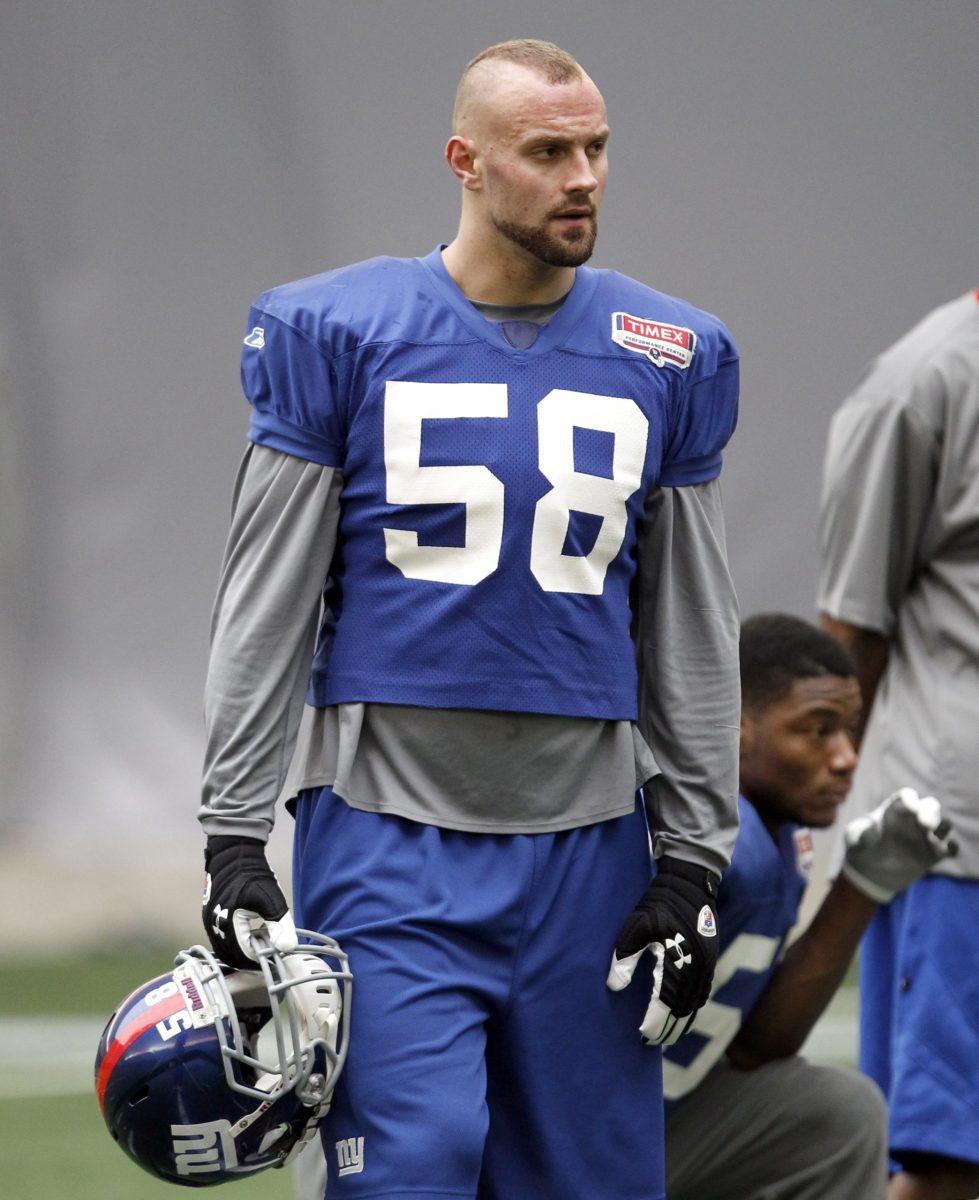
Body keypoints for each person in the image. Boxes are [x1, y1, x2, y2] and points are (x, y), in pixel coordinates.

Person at [197, 38, 742, 1200]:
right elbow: (268, 598)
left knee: (586, 1184)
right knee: (412, 1167)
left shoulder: (671, 351)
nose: (583, 176)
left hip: (591, 848)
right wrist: (232, 835)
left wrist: (695, 855)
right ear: (467, 163)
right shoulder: (335, 331)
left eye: (595, 148)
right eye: (547, 152)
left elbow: (691, 626)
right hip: (388, 835)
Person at [663, 613, 957, 1200]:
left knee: (836, 1114)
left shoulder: (781, 842)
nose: (847, 757)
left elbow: (758, 1047)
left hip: (655, 1114)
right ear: (734, 728)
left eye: (851, 730)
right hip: (568, 1128)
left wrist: (862, 885)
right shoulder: (710, 839)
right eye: (818, 730)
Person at [817, 290, 979, 1200]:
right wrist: (816, 820)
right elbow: (850, 634)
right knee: (943, 1160)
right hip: (957, 847)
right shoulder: (920, 384)